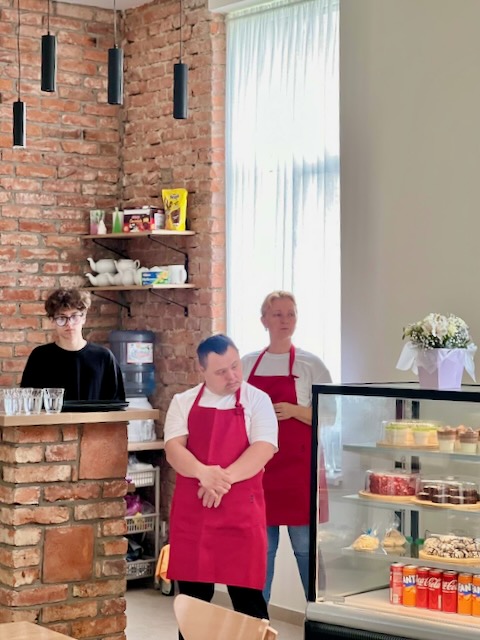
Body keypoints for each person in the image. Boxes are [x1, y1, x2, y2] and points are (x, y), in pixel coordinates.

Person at [164, 334, 278, 630]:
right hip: (194, 517)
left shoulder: (258, 400)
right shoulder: (183, 402)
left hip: (241, 516)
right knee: (192, 602)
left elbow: (263, 449)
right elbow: (174, 449)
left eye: (235, 366)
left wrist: (220, 479)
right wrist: (203, 473)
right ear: (201, 371)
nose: (232, 376)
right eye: (221, 371)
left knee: (249, 600)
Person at [242, 291, 332, 603]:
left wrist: (294, 411)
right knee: (260, 554)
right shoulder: (247, 364)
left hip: (299, 473)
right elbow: (235, 413)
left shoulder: (311, 364)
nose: (285, 320)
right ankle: (257, 627)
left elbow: (331, 416)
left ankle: (321, 622)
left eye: (290, 314)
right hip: (259, 472)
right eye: (277, 314)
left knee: (307, 552)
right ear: (263, 320)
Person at [21, 288, 125, 402]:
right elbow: (27, 403)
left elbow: (116, 404)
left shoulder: (104, 357)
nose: (69, 324)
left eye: (74, 317)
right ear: (52, 320)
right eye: (61, 318)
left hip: (94, 420)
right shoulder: (40, 357)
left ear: (84, 318)